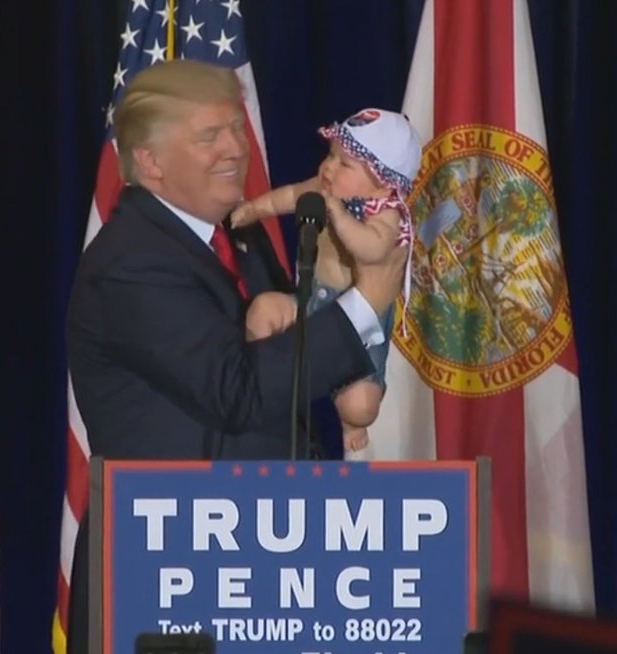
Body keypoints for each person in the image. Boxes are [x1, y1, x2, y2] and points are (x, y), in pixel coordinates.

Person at [64, 60, 408, 652]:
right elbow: (239, 391)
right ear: (150, 162)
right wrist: (368, 298)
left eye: (237, 130)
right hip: (169, 589)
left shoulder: (236, 238)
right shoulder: (130, 264)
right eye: (209, 136)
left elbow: (293, 374)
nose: (235, 149)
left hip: (257, 580)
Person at [231, 107, 422, 459]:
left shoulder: (387, 216)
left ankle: (352, 422)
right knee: (263, 311)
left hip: (358, 326)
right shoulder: (325, 188)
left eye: (344, 164)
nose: (328, 168)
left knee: (361, 407)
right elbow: (288, 196)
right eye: (331, 156)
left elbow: (371, 249)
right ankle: (263, 381)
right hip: (311, 301)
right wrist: (256, 209)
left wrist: (335, 213)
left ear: (383, 180)